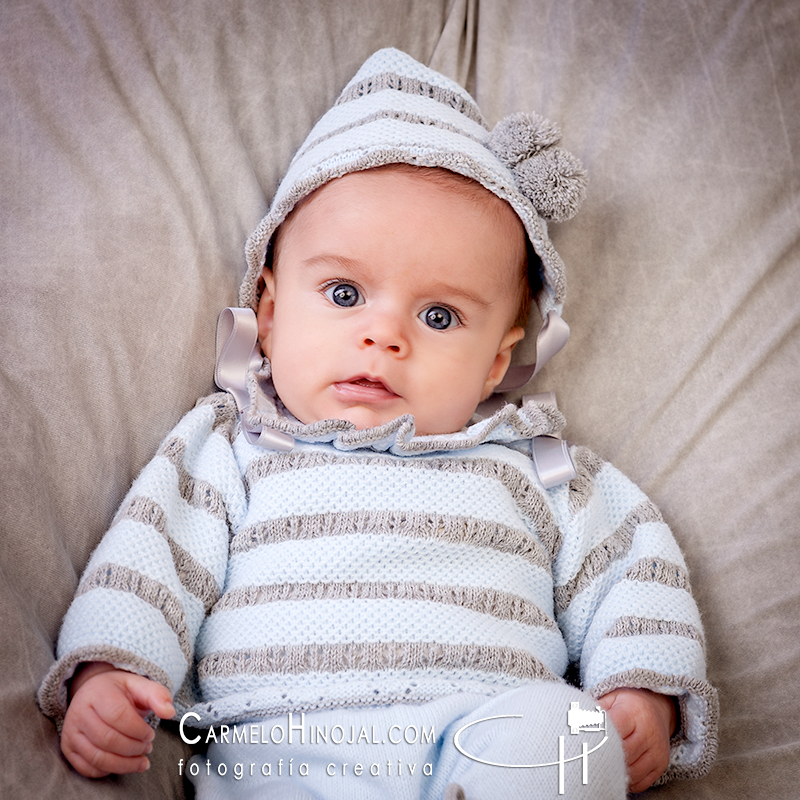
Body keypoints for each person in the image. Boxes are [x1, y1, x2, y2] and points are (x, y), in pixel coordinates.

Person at [38, 49, 718, 799]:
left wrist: (642, 690)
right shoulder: (236, 447)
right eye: (342, 292)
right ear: (266, 315)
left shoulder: (541, 462)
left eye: (438, 315)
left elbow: (631, 567)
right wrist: (110, 672)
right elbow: (149, 559)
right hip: (280, 748)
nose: (384, 336)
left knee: (564, 735)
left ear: (496, 364)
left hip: (485, 731)